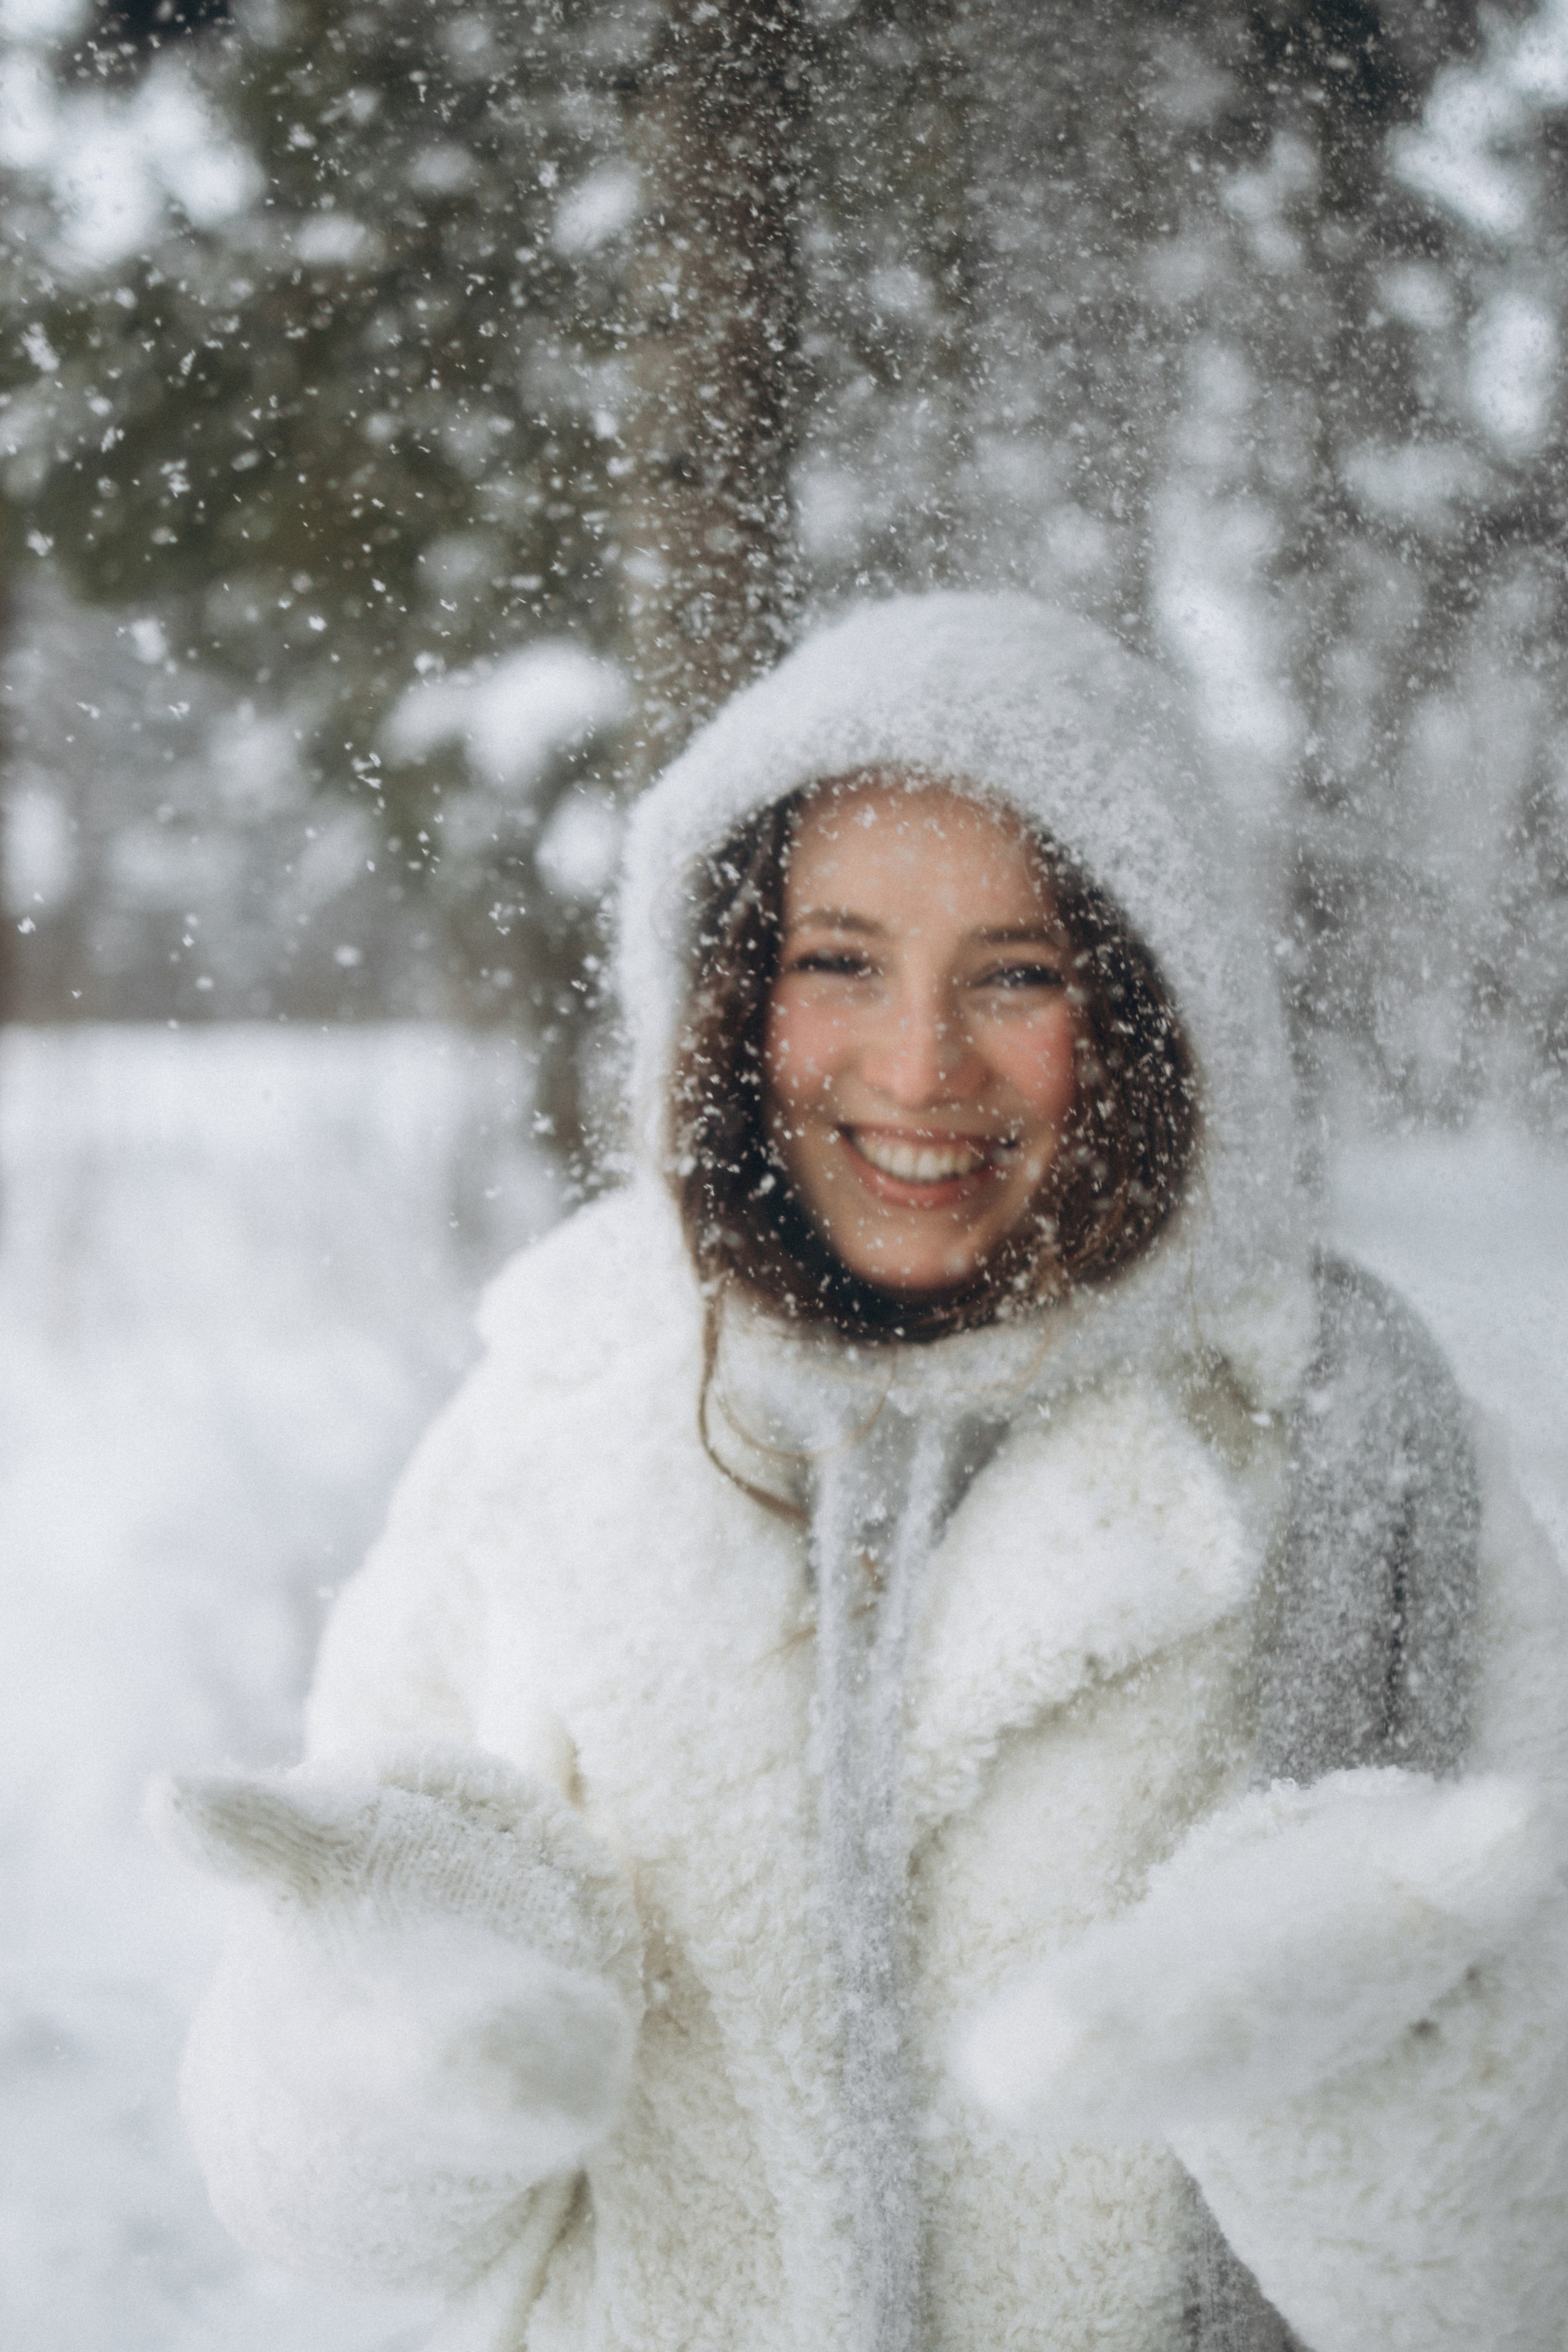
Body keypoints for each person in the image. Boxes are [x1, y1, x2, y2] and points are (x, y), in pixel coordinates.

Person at [156, 594, 1568, 2352]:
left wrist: (1353, 2080)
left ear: (1149, 996)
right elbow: (324, 2220)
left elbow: (1518, 2280)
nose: (918, 1067)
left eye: (1019, 972)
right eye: (841, 960)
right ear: (739, 988)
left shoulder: (1349, 1436)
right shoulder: (569, 1407)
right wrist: (398, 2052)